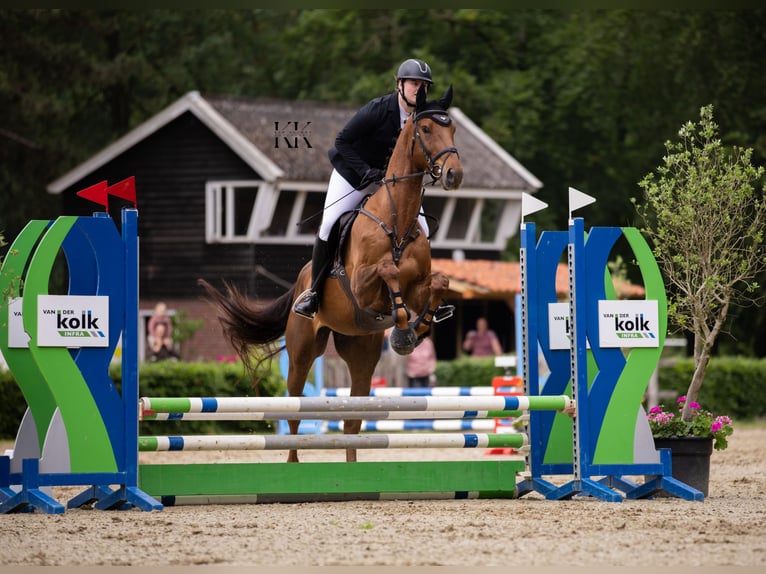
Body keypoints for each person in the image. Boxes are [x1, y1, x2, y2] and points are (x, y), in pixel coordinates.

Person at [293, 58, 444, 319]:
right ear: (400, 85)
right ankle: (314, 295)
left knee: (425, 229)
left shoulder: (422, 118)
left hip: (392, 186)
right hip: (353, 176)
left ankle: (425, 294)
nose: (419, 90)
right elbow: (342, 141)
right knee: (329, 224)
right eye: (414, 84)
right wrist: (365, 171)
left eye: (424, 85)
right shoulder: (378, 109)